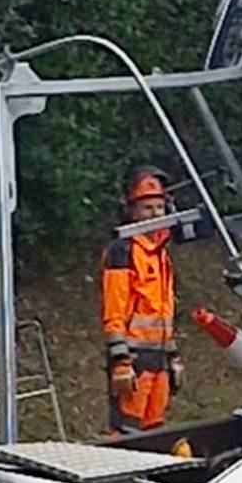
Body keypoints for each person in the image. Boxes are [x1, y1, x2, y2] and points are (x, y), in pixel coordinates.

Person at [100, 165, 179, 434]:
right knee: (126, 432)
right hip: (134, 359)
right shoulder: (122, 251)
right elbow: (115, 308)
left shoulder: (160, 253)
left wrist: (173, 355)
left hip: (159, 360)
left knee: (155, 430)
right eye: (147, 208)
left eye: (159, 207)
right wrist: (121, 361)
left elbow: (164, 310)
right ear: (132, 212)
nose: (155, 214)